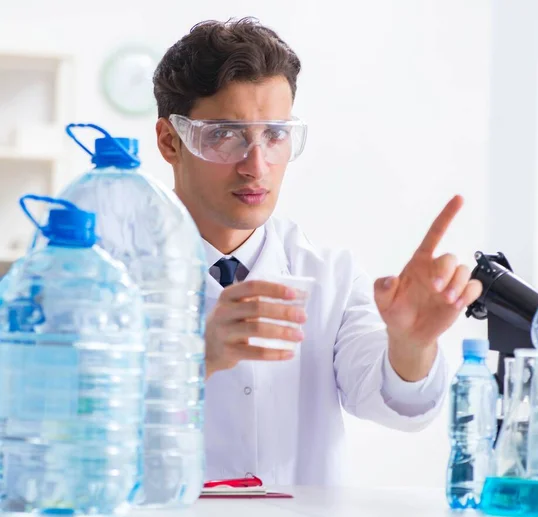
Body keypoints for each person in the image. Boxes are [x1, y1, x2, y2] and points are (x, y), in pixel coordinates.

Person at [153, 17, 483, 486]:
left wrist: (411, 344)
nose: (256, 165)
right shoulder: (113, 275)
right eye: (226, 135)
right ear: (171, 141)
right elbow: (65, 423)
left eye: (275, 135)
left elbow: (397, 404)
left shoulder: (329, 276)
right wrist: (195, 360)